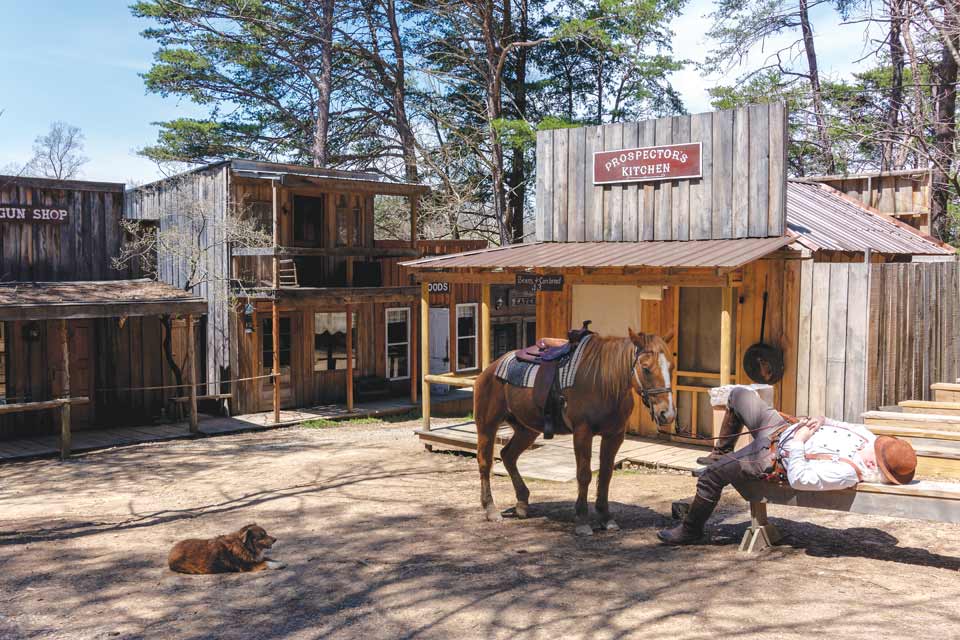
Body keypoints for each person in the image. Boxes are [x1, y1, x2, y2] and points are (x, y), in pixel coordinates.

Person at [657, 386, 918, 545]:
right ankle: (721, 451)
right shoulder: (868, 440)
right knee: (739, 395)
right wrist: (821, 420)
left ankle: (690, 530)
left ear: (875, 463)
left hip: (771, 457)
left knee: (711, 476)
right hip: (780, 428)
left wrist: (800, 442)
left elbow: (801, 478)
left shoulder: (849, 471)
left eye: (877, 449)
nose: (872, 443)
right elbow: (852, 426)